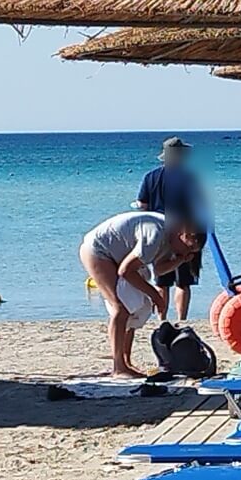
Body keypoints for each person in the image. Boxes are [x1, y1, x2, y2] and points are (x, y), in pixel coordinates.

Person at [79, 210, 206, 378]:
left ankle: (126, 361)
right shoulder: (155, 234)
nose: (186, 253)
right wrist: (154, 294)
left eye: (192, 253)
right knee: (120, 308)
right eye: (187, 248)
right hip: (98, 251)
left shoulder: (171, 239)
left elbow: (159, 269)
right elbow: (126, 270)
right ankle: (119, 367)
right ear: (182, 234)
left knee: (137, 308)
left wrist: (181, 260)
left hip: (119, 258)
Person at [133, 137, 207, 320]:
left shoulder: (150, 177)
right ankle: (181, 319)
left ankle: (161, 318)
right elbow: (198, 203)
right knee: (183, 281)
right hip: (184, 233)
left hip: (157, 232)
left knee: (162, 279)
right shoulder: (188, 177)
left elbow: (142, 204)